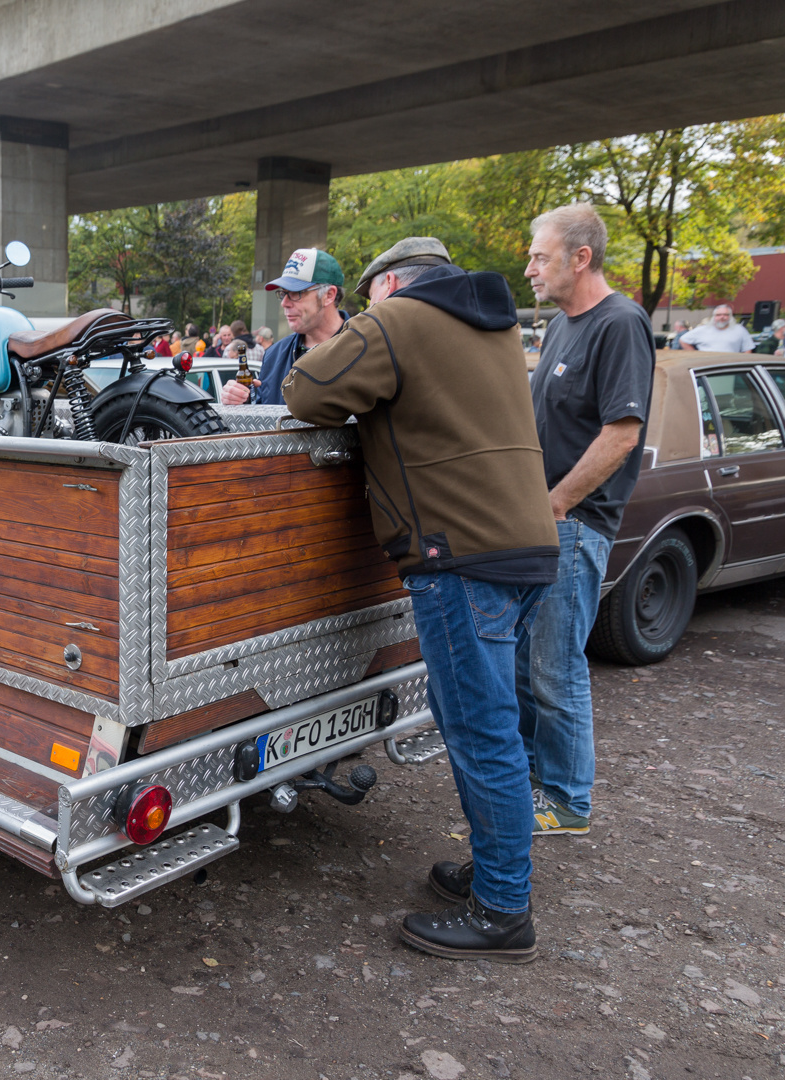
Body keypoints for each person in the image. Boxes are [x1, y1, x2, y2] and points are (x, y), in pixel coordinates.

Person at [282, 236, 557, 962]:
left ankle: (503, 912)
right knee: (498, 728)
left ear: (392, 281)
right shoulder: (493, 326)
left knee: (481, 733)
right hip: (525, 545)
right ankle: (497, 874)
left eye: (374, 293)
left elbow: (306, 390)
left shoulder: (401, 318)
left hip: (459, 555)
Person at [521, 203, 656, 838]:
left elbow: (621, 435)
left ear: (581, 257)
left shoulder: (620, 323)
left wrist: (555, 503)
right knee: (526, 667)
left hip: (572, 527)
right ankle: (528, 793)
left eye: (540, 256)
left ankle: (568, 801)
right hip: (541, 523)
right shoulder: (559, 326)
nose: (529, 268)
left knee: (555, 669)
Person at [220, 248, 348, 406]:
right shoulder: (274, 355)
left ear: (329, 295)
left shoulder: (363, 351)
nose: (284, 303)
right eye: (283, 293)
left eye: (296, 293)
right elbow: (265, 419)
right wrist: (241, 401)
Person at [679, 304, 756, 354]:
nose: (722, 317)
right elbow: (683, 340)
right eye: (718, 315)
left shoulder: (740, 330)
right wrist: (694, 355)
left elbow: (748, 349)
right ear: (714, 317)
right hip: (705, 368)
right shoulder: (702, 330)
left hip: (731, 368)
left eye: (726, 315)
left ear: (730, 317)